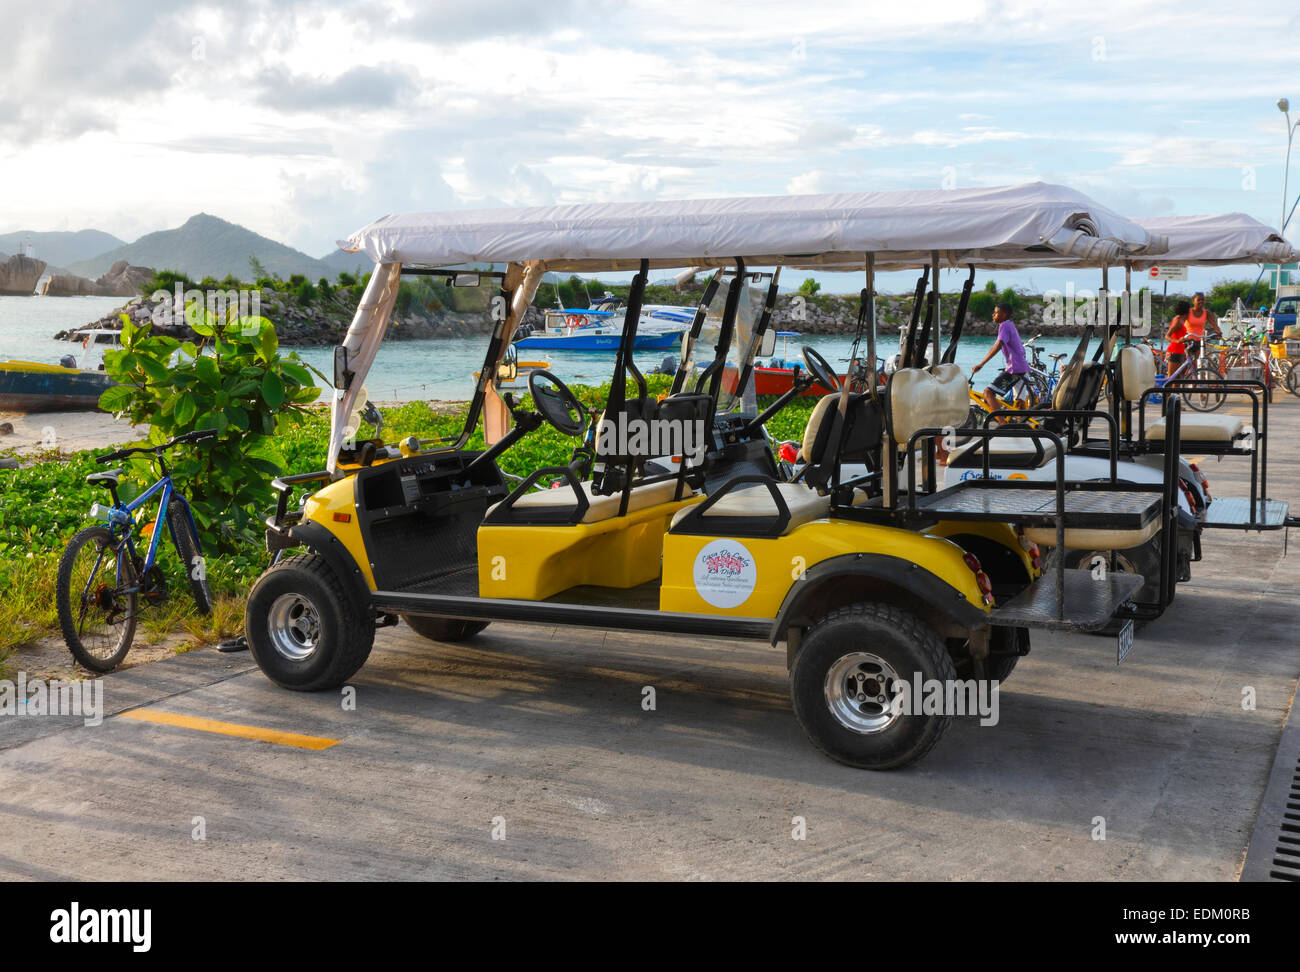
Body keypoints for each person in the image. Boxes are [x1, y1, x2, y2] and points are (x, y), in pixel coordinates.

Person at [972, 302, 1030, 415]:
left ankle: (1001, 423)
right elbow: (996, 345)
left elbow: (998, 346)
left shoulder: (1004, 325)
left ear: (1004, 314)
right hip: (1021, 367)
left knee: (988, 393)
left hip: (1015, 369)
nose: (993, 315)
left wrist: (981, 364)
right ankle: (1022, 428)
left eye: (996, 313)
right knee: (1019, 404)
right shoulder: (1009, 325)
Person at [1182, 291, 1221, 362]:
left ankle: (1195, 373)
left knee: (1196, 362)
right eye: (1198, 300)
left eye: (1202, 300)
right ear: (1193, 301)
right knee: (1187, 362)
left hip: (1199, 341)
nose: (1201, 301)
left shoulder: (1206, 313)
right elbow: (1181, 323)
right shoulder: (1188, 312)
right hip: (1188, 340)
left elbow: (1214, 324)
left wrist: (1218, 331)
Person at [1164, 301, 1190, 378]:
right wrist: (1178, 341)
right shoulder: (1177, 321)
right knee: (1171, 377)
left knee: (1178, 378)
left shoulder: (1183, 320)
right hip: (1174, 351)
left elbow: (1180, 334)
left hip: (1180, 351)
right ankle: (1165, 390)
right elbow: (1167, 336)